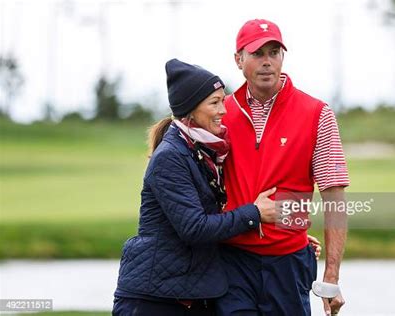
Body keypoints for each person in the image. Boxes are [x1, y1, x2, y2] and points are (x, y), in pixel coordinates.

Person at [112, 58, 282, 316]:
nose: (223, 110)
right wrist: (255, 213)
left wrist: (287, 240)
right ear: (190, 110)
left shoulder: (204, 151)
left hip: (189, 295)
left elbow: (222, 215)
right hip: (153, 301)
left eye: (222, 100)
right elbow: (195, 227)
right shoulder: (171, 156)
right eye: (214, 102)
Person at [216, 19, 350, 316]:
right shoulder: (220, 114)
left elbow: (334, 197)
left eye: (273, 52)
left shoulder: (317, 114)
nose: (267, 62)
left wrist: (331, 275)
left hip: (288, 263)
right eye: (257, 53)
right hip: (232, 261)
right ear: (238, 60)